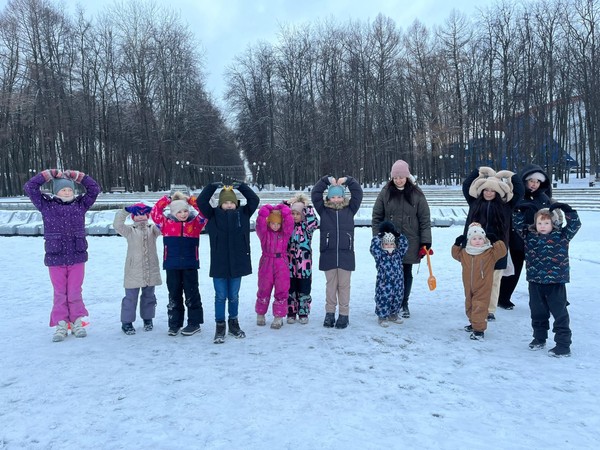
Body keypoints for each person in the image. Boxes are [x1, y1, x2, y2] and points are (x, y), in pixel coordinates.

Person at [24, 169, 101, 342]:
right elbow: (30, 187)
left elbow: (94, 189)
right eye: (63, 189)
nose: (67, 192)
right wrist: (47, 175)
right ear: (55, 191)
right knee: (60, 292)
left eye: (70, 189)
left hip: (77, 256)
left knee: (74, 291)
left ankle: (77, 321)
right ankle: (61, 324)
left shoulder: (80, 205)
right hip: (55, 256)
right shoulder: (47, 206)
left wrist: (79, 177)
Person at [513, 203, 581, 357]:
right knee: (537, 312)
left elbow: (575, 225)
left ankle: (563, 345)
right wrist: (519, 211)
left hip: (555, 282)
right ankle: (539, 338)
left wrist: (568, 210)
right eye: (539, 223)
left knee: (560, 313)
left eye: (546, 223)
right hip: (535, 281)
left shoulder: (562, 236)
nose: (542, 226)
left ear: (554, 223)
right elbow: (517, 225)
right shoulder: (529, 235)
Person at [196, 182, 259, 344]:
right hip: (220, 263)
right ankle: (220, 325)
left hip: (238, 262)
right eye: (226, 202)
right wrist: (211, 187)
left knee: (233, 296)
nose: (229, 205)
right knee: (220, 296)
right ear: (220, 203)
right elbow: (201, 201)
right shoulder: (212, 215)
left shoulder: (244, 213)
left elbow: (254, 199)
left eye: (231, 202)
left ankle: (233, 323)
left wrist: (242, 187)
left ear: (236, 203)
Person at [372, 160, 432, 319]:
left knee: (406, 272)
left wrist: (425, 241)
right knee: (387, 274)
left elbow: (424, 218)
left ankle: (403, 302)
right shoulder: (385, 192)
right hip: (389, 242)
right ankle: (386, 302)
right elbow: (377, 216)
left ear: (407, 176)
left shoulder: (416, 194)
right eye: (395, 177)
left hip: (410, 241)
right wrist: (378, 238)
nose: (398, 180)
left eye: (401, 176)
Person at [462, 166, 524, 321]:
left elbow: (520, 191)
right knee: (475, 280)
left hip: (497, 248)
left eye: (492, 190)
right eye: (486, 190)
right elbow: (466, 186)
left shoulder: (506, 206)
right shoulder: (474, 202)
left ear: (498, 192)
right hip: (475, 248)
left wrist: (512, 176)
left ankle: (489, 309)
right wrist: (478, 171)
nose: (489, 193)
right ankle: (476, 306)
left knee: (494, 281)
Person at [498, 164, 557, 310]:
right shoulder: (517, 196)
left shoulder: (544, 198)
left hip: (538, 242)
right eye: (531, 181)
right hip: (516, 240)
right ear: (525, 181)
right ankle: (503, 297)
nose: (534, 184)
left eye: (537, 182)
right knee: (513, 272)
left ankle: (550, 297)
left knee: (542, 272)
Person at [151, 191, 207, 336]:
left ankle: (194, 323)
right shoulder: (166, 224)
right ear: (173, 212)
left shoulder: (195, 224)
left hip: (190, 265)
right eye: (179, 211)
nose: (183, 214)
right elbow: (155, 212)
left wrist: (191, 200)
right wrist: (167, 200)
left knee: (192, 294)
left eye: (185, 211)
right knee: (174, 295)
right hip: (172, 265)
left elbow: (205, 212)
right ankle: (174, 324)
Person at [311, 175, 363, 329]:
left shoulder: (350, 209)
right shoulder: (323, 210)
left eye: (339, 196)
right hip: (329, 254)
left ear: (343, 197)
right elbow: (315, 193)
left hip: (346, 255)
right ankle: (329, 314)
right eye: (332, 197)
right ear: (328, 198)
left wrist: (348, 180)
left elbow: (358, 192)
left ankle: (344, 315)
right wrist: (326, 180)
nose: (335, 199)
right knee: (331, 286)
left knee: (344, 287)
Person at [112, 203, 162, 335]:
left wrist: (157, 210)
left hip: (150, 269)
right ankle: (127, 322)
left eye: (143, 214)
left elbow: (163, 225)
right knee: (130, 297)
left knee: (149, 296)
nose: (141, 217)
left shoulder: (153, 230)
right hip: (133, 270)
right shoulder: (129, 231)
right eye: (137, 215)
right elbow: (117, 225)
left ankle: (148, 318)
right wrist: (126, 211)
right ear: (133, 217)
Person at [452, 223, 507, 341]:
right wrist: (457, 244)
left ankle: (479, 330)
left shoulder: (489, 253)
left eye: (480, 239)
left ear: (485, 239)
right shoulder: (465, 252)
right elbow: (455, 254)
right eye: (474, 239)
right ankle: (474, 323)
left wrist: (496, 241)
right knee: (470, 305)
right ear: (469, 240)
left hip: (483, 286)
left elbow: (502, 251)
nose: (477, 241)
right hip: (469, 286)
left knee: (480, 306)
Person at [255, 203, 294, 329]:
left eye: (278, 224)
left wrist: (284, 210)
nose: (275, 226)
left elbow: (289, 223)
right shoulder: (264, 234)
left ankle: (278, 316)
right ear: (269, 223)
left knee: (282, 289)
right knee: (263, 288)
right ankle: (260, 313)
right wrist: (265, 210)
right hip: (266, 261)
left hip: (281, 262)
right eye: (273, 223)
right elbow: (259, 224)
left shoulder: (285, 234)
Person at [285, 193, 319, 325]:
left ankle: (303, 312)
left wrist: (307, 207)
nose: (294, 216)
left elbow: (314, 221)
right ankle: (291, 312)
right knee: (290, 288)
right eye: (292, 213)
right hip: (289, 264)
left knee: (304, 288)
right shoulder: (288, 227)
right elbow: (281, 215)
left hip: (304, 265)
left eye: (297, 214)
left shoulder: (307, 228)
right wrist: (286, 206)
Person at [370, 221, 409, 327]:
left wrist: (398, 235)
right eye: (386, 244)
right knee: (383, 299)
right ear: (382, 245)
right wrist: (378, 236)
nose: (389, 246)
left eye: (391, 244)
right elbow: (373, 248)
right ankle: (382, 316)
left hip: (397, 283)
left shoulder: (398, 254)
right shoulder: (380, 255)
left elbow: (405, 245)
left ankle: (393, 314)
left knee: (397, 298)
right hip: (384, 283)